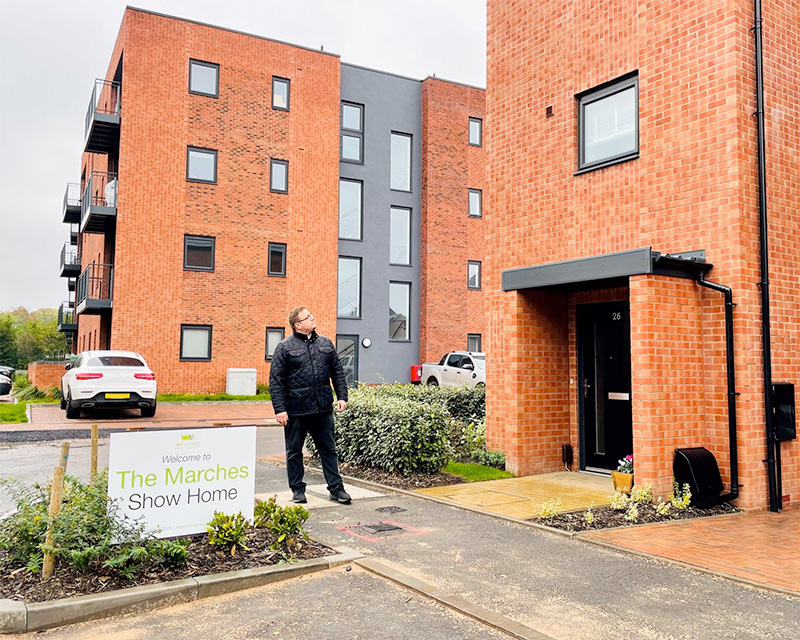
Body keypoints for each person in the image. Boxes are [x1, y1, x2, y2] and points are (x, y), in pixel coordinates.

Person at [269, 307, 351, 504]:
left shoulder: (325, 343)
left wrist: (342, 396)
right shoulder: (285, 347)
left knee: (328, 449)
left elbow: (337, 372)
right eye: (307, 317)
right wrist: (280, 409)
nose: (312, 318)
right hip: (296, 410)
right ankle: (298, 490)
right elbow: (276, 380)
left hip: (322, 408)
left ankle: (336, 488)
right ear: (298, 325)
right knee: (294, 451)